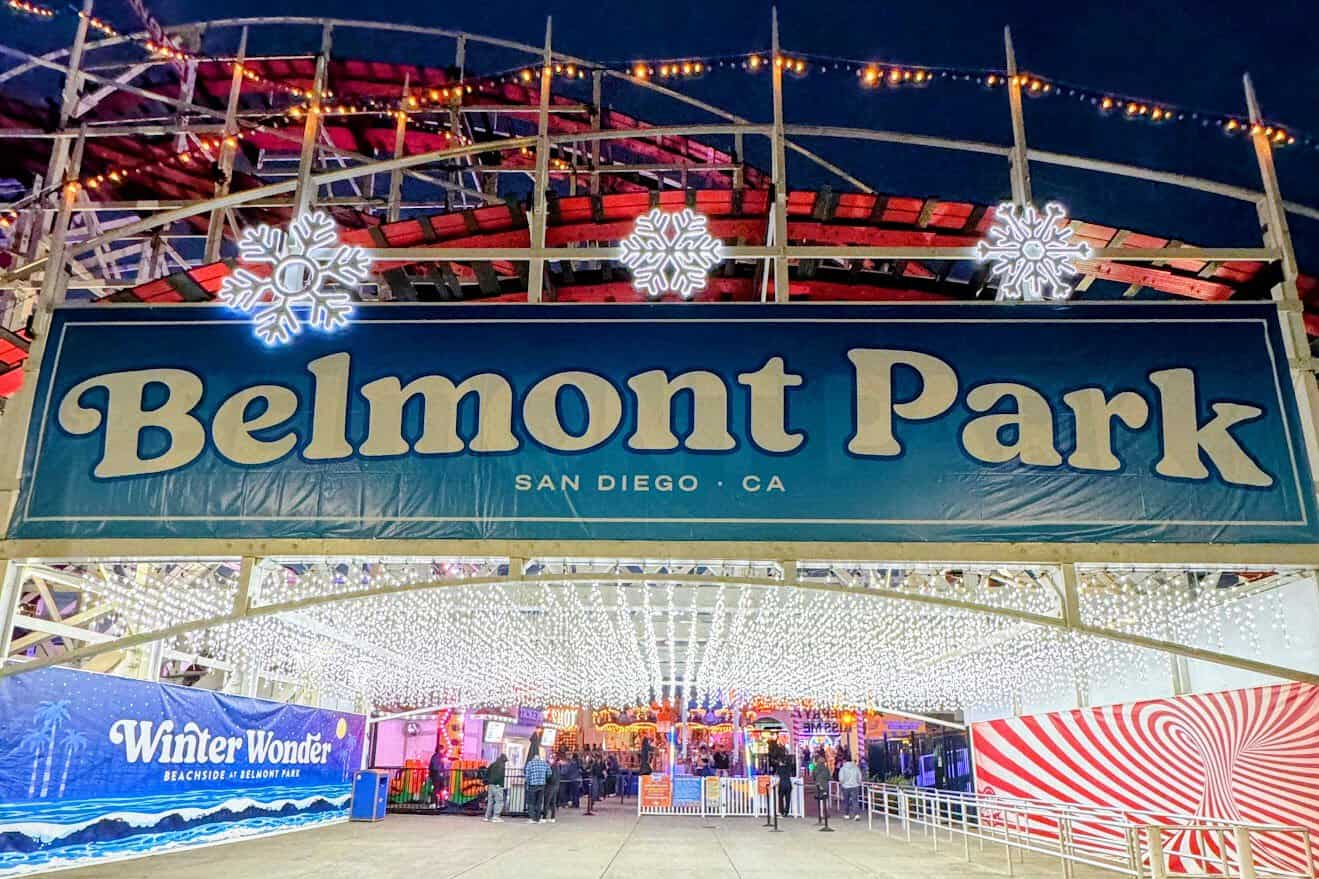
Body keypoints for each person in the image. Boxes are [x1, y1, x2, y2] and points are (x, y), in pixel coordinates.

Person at [524, 752, 550, 824]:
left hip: (532, 785)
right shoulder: (544, 763)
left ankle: (532, 818)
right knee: (539, 802)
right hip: (542, 785)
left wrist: (527, 783)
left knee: (531, 802)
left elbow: (527, 775)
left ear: (533, 758)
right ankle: (538, 818)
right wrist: (544, 778)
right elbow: (549, 772)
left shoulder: (530, 763)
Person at [483, 753, 507, 823]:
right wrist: (499, 783)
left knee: (490, 801)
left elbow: (487, 773)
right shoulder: (501, 765)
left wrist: (487, 782)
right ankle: (496, 817)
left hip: (490, 784)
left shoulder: (492, 764)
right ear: (504, 759)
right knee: (499, 801)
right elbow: (499, 775)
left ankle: (487, 817)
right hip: (497, 785)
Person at [838, 755, 863, 821]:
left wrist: (842, 783)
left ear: (844, 761)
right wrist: (858, 782)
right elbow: (859, 777)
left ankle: (847, 815)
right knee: (855, 801)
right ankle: (856, 815)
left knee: (846, 801)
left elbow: (841, 779)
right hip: (855, 786)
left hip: (845, 787)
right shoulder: (856, 767)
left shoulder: (842, 768)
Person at [811, 748, 832, 825]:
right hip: (825, 785)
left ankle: (821, 815)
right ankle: (826, 812)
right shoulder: (826, 769)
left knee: (819, 799)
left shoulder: (815, 768)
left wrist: (816, 780)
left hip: (818, 784)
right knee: (826, 799)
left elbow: (813, 775)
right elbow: (829, 777)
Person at [775, 751, 795, 817]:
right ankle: (786, 811)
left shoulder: (779, 769)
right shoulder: (788, 768)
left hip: (782, 784)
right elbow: (790, 764)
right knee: (788, 798)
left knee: (781, 798)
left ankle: (782, 811)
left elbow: (777, 775)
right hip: (788, 784)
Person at [544, 756, 561, 823]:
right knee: (553, 802)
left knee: (547, 802)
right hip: (556, 786)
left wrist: (547, 780)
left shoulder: (553, 767)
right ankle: (552, 817)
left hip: (551, 786)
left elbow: (552, 778)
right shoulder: (557, 767)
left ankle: (544, 817)